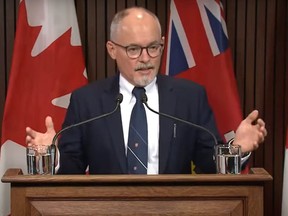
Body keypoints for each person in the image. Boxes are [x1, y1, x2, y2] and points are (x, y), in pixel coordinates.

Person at [25, 7, 267, 174]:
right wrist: (52, 156)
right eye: (133, 49)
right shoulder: (87, 101)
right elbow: (72, 168)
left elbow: (208, 164)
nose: (146, 58)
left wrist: (238, 149)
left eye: (153, 47)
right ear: (112, 49)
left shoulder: (190, 98)